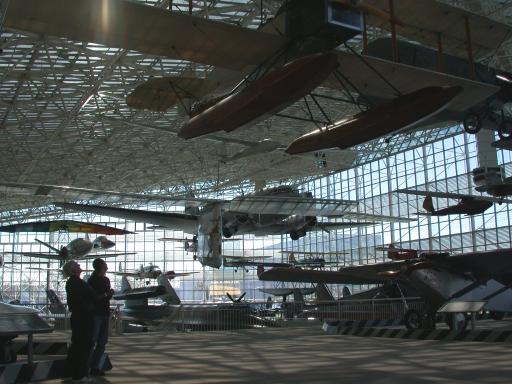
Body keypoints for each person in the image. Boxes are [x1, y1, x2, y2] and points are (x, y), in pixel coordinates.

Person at [63, 260, 107, 383]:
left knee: (77, 344)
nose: (79, 266)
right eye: (76, 265)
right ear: (73, 270)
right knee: (85, 345)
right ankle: (79, 375)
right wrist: (106, 295)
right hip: (84, 317)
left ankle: (70, 372)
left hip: (77, 316)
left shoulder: (71, 282)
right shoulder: (78, 282)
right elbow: (94, 296)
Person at [87, 258, 114, 376]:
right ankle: (87, 366)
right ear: (100, 266)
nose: (107, 266)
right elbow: (94, 297)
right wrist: (106, 295)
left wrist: (108, 295)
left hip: (104, 313)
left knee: (102, 341)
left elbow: (104, 297)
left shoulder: (106, 280)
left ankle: (95, 367)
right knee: (93, 340)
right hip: (96, 314)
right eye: (105, 264)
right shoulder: (92, 280)